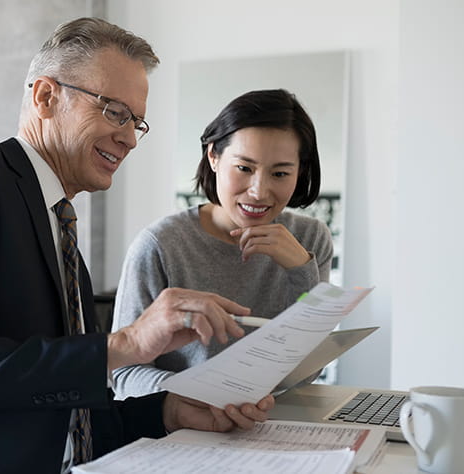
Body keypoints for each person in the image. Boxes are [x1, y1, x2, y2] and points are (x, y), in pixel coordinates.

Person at [0, 18, 274, 474]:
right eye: (114, 111)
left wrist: (168, 411)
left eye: (136, 122)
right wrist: (126, 342)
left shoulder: (59, 224)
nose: (129, 138)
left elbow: (69, 415)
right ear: (45, 97)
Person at [111, 89, 334, 400]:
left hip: (274, 424)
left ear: (301, 173)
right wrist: (201, 399)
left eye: (280, 173)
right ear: (213, 156)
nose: (259, 192)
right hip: (184, 429)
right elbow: (123, 373)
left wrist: (301, 271)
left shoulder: (310, 241)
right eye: (244, 168)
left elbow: (305, 374)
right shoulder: (159, 245)